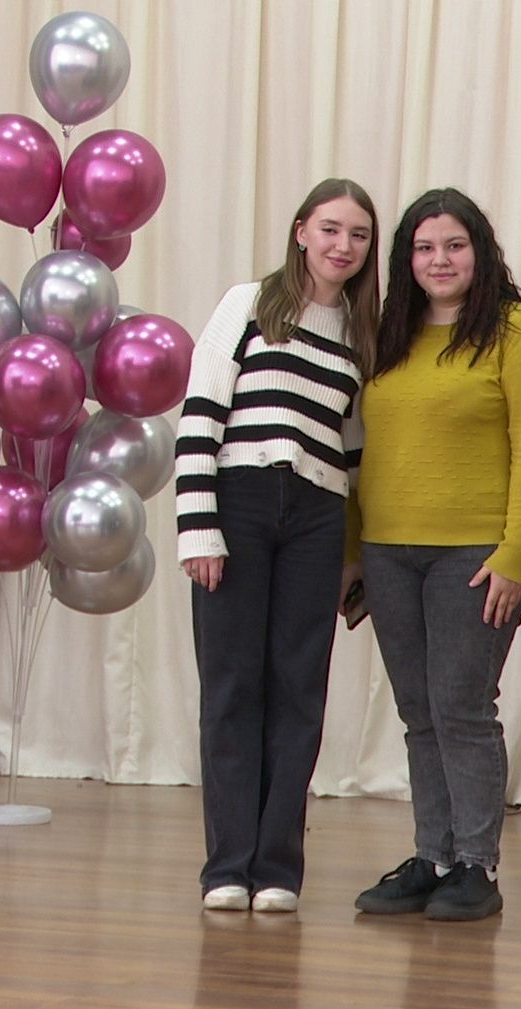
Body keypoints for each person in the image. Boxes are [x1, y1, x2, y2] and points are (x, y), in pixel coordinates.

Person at [347, 189, 521, 922]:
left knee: (462, 707)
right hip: (387, 551)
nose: (440, 261)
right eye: (424, 248)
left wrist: (515, 553)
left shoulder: (518, 329)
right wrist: (353, 551)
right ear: (406, 260)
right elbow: (359, 449)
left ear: (482, 250)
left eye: (455, 245)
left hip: (474, 553)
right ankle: (432, 855)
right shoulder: (390, 332)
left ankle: (476, 862)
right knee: (418, 713)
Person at [176, 177, 381, 913]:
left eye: (357, 234)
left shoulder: (363, 334)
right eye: (330, 229)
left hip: (319, 517)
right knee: (233, 685)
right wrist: (199, 526)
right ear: (301, 231)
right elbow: (199, 415)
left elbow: (355, 455)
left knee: (300, 688)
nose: (342, 245)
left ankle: (279, 868)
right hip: (240, 500)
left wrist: (353, 556)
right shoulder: (248, 304)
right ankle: (227, 865)